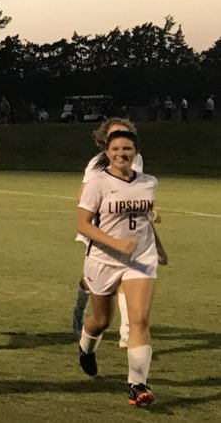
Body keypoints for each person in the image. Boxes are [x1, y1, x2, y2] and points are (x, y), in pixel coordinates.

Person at [74, 130, 164, 407]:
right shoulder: (98, 182)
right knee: (101, 320)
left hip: (141, 258)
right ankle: (86, 349)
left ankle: (138, 385)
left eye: (127, 149)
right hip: (103, 259)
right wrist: (114, 243)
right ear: (107, 152)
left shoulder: (149, 182)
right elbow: (83, 224)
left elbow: (144, 218)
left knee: (139, 320)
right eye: (116, 149)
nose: (121, 154)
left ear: (135, 152)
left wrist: (158, 246)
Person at [70, 119, 145, 345]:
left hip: (123, 228)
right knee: (95, 283)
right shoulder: (96, 164)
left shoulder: (136, 159)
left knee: (125, 277)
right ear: (105, 141)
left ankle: (127, 333)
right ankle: (80, 308)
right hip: (97, 228)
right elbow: (81, 196)